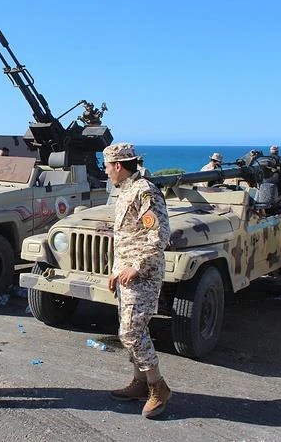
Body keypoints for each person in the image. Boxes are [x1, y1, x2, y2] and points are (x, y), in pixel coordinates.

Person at [104, 142, 172, 418]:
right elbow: (126, 237)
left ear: (118, 166)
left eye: (107, 167)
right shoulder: (126, 190)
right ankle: (140, 383)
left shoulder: (145, 191)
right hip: (126, 274)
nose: (106, 172)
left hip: (143, 275)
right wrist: (116, 270)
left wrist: (137, 266)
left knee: (132, 332)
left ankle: (158, 386)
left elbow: (159, 234)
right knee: (129, 329)